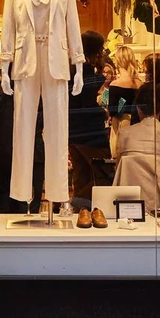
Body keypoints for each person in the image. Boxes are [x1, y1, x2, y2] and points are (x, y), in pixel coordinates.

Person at [68, 31, 110, 211]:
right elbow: (93, 105)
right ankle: (87, 208)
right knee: (99, 174)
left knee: (81, 174)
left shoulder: (72, 69)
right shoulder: (88, 73)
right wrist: (104, 112)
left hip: (75, 131)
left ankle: (81, 210)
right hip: (91, 133)